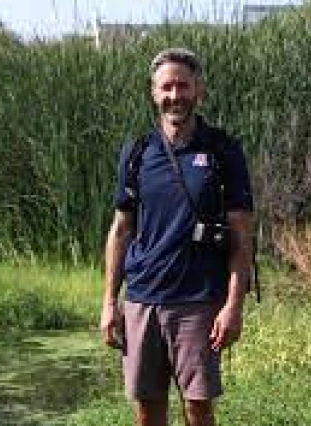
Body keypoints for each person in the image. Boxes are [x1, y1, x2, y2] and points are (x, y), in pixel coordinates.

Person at [100, 47, 254, 426]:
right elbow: (121, 229)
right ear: (153, 93)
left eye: (182, 86)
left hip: (199, 301)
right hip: (142, 300)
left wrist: (233, 305)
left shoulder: (222, 150)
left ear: (198, 91)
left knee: (198, 406)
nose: (175, 96)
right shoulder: (137, 152)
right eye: (166, 87)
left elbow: (241, 233)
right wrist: (108, 302)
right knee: (148, 407)